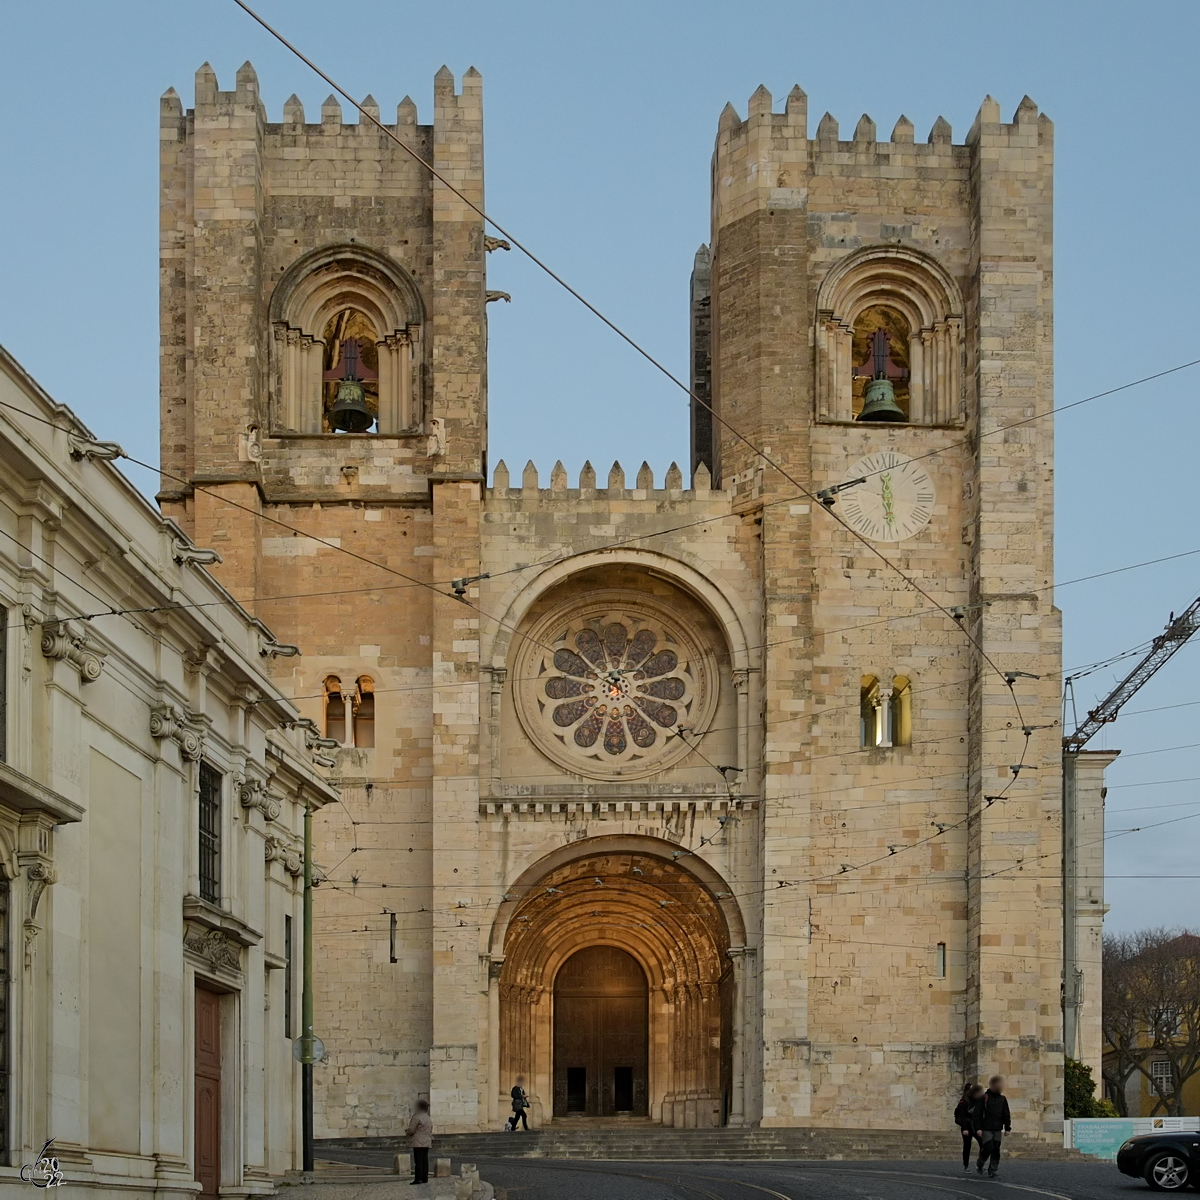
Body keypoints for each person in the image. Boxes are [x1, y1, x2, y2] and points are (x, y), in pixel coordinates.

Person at [973, 1075, 1012, 1178]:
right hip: (986, 1127)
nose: (1000, 1086)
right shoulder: (984, 1098)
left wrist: (1007, 1127)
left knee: (996, 1149)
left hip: (997, 1128)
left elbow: (1006, 1113)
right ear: (993, 1085)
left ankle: (992, 1170)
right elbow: (977, 1113)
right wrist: (978, 1128)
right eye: (998, 1084)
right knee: (988, 1147)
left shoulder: (1002, 1099)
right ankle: (980, 1163)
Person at [954, 1083, 984, 1170]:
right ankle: (966, 1165)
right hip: (967, 1126)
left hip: (975, 1126)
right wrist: (964, 1128)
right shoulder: (965, 1101)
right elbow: (962, 1116)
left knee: (983, 1144)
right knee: (967, 1146)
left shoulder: (980, 1101)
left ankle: (980, 1163)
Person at [405, 1098, 432, 1185]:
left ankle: (418, 1179)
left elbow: (412, 1130)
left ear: (419, 1107)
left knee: (418, 1161)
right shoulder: (428, 1118)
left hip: (417, 1141)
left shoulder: (416, 1117)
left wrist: (407, 1132)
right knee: (425, 1161)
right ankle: (425, 1178)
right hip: (426, 1141)